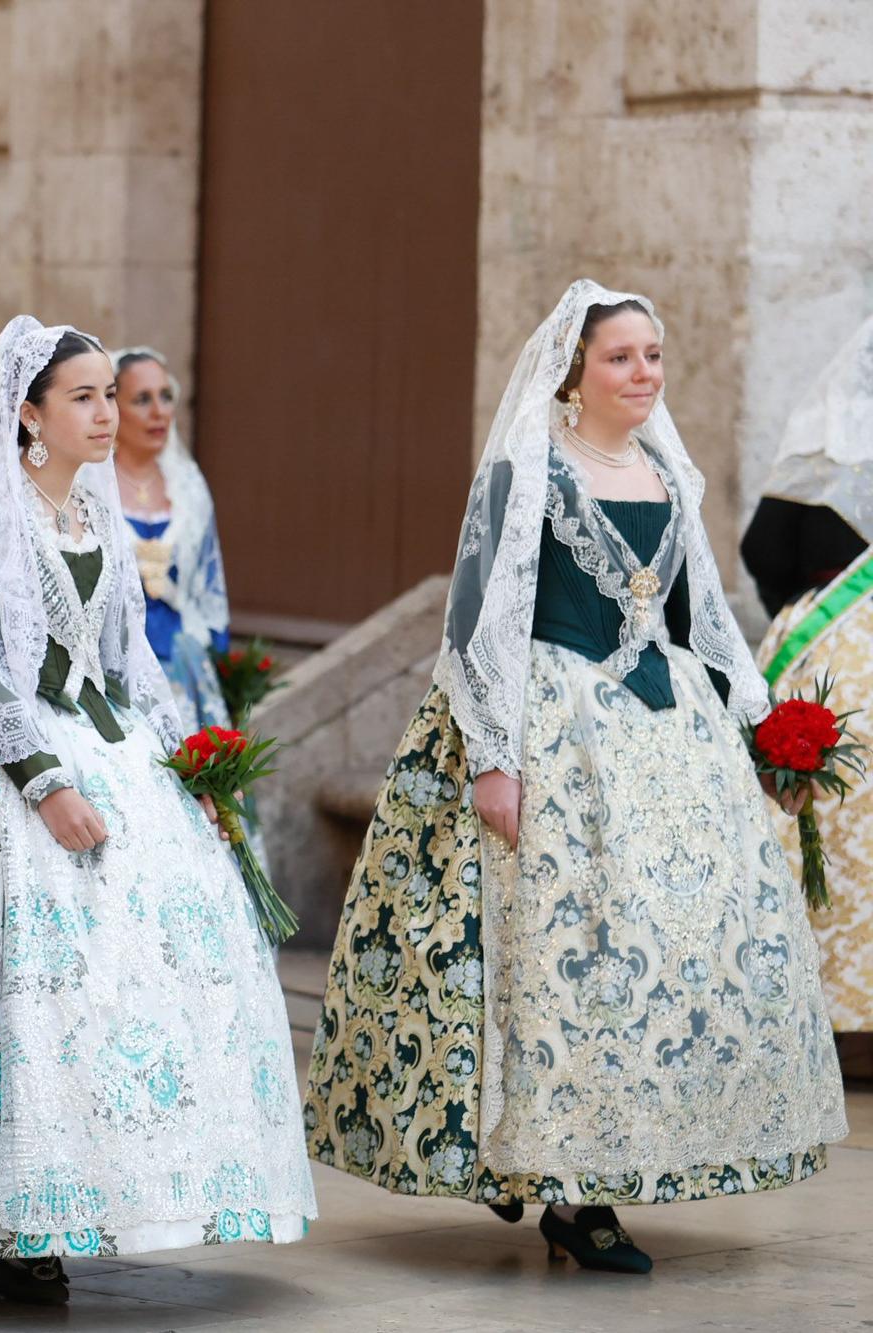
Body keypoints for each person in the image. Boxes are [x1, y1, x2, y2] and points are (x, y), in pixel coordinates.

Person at [303, 280, 847, 1275]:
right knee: (556, 957)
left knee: (652, 958)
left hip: (664, 733)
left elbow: (699, 619)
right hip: (552, 725)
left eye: (652, 355)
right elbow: (478, 619)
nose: (643, 373)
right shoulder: (527, 469)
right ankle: (555, 1184)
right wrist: (493, 758)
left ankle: (603, 1168)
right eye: (620, 357)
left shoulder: (662, 469)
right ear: (570, 371)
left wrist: (757, 725)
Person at [0, 317, 315, 1305]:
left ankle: (100, 1191)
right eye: (83, 398)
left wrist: (187, 756)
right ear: (27, 412)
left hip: (106, 750)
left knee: (131, 983)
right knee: (0, 986)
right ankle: (0, 1221)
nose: (106, 415)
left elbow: (125, 657)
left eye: (111, 395)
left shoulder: (93, 514)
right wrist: (40, 781)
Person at [742, 311, 873, 1062]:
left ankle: (814, 1012)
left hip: (825, 662)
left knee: (820, 822)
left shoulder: (820, 448)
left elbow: (764, 548)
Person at [108, 346, 235, 731]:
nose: (159, 411)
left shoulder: (188, 487)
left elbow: (210, 581)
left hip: (184, 666)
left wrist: (216, 653)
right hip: (116, 670)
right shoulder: (90, 487)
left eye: (166, 397)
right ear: (113, 408)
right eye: (142, 399)